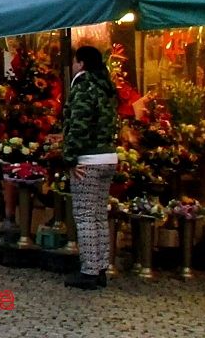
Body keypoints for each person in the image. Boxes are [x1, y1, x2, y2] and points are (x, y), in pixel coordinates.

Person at [62, 44, 118, 290]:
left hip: (88, 159)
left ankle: (89, 271)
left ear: (81, 63)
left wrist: (70, 158)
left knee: (84, 215)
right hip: (108, 157)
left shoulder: (84, 87)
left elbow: (79, 125)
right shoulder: (106, 88)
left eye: (75, 61)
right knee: (98, 216)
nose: (73, 65)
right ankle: (101, 267)